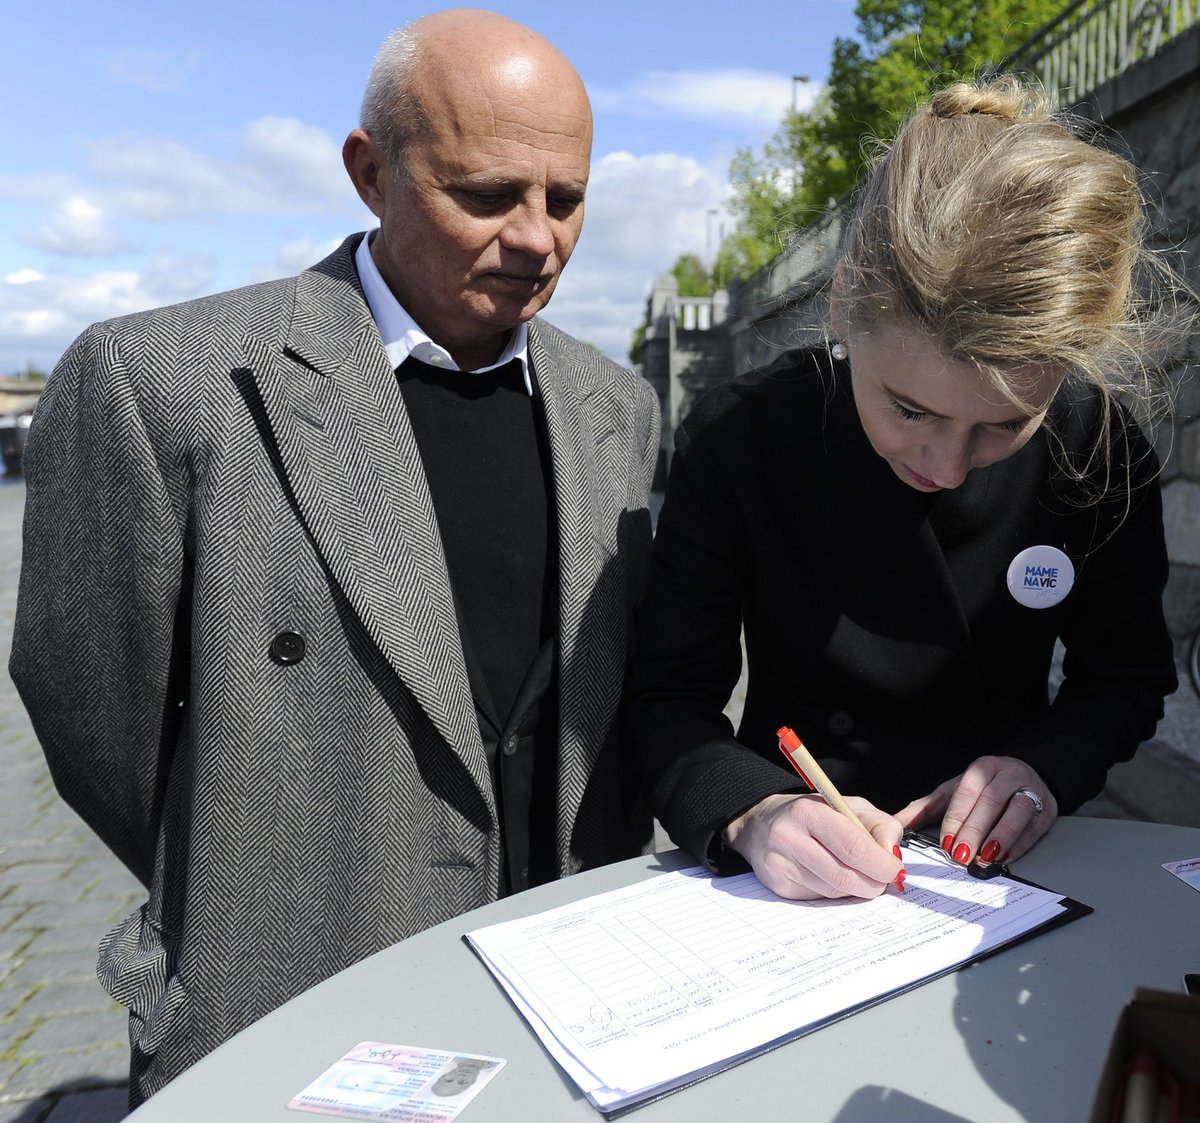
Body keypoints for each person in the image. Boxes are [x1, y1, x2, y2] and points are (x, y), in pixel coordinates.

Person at [9, 9, 659, 1105]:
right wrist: (257, 871)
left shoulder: (618, 408)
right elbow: (92, 718)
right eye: (490, 194)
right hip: (297, 1001)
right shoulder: (161, 380)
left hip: (566, 990)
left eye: (568, 198)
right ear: (371, 172)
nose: (539, 236)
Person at [624, 76, 1185, 905]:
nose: (947, 465)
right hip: (786, 879)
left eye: (1003, 424)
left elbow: (1126, 677)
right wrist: (751, 808)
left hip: (1009, 876)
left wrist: (1043, 769)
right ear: (846, 304)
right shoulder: (744, 436)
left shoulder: (1096, 447)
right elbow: (669, 697)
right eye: (909, 407)